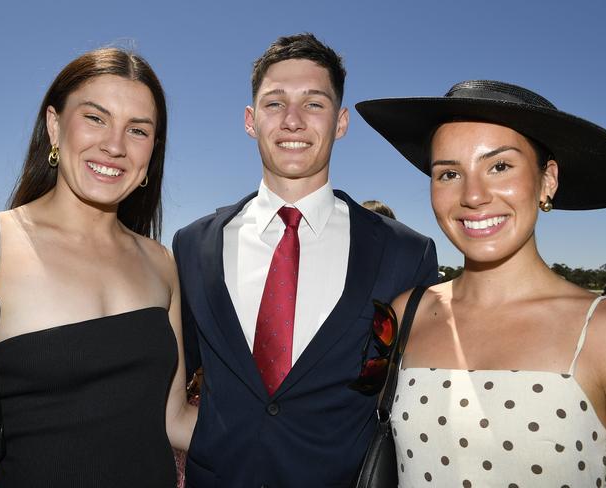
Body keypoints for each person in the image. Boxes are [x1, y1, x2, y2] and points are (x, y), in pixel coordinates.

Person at [172, 33, 438, 487]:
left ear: (341, 122)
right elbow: (168, 382)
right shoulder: (193, 245)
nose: (292, 121)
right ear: (250, 120)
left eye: (314, 104)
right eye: (275, 104)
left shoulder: (405, 253)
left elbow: (422, 411)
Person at [357, 80, 606, 487]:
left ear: (547, 179)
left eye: (499, 166)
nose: (474, 195)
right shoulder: (406, 313)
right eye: (448, 173)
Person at [0, 47, 196, 487]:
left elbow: (174, 420)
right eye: (96, 118)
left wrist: (302, 431)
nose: (114, 145)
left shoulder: (161, 262)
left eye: (137, 130)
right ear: (54, 126)